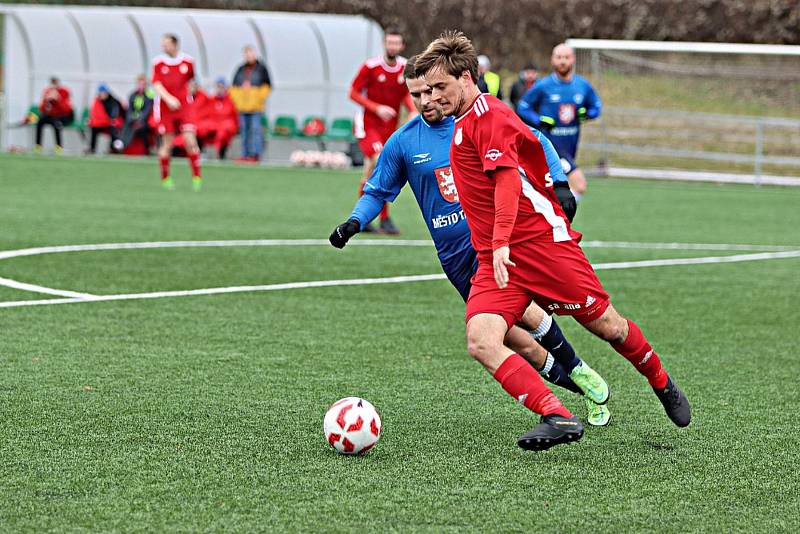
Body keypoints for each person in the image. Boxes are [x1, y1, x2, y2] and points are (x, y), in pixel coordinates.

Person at [415, 31, 690, 450]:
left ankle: (662, 382)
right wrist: (496, 248)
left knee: (609, 327)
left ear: (467, 78)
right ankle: (557, 416)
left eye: (439, 87)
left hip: (542, 249)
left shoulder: (489, 117)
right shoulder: (463, 120)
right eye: (427, 89)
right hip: (497, 259)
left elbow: (507, 183)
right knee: (481, 340)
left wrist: (503, 239)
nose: (431, 96)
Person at [329, 57, 612, 428]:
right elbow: (377, 191)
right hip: (454, 259)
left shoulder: (477, 121)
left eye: (430, 91)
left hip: (493, 243)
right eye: (416, 94)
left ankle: (575, 371)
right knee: (515, 340)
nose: (425, 100)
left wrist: (559, 179)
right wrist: (354, 221)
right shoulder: (403, 143)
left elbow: (537, 139)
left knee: (526, 314)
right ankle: (578, 385)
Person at [349, 29, 416, 235]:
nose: (392, 46)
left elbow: (406, 94)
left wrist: (413, 110)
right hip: (368, 125)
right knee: (379, 161)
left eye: (396, 43)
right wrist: (376, 108)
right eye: (389, 42)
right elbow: (353, 92)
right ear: (384, 44)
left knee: (375, 170)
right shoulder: (371, 67)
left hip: (389, 128)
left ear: (401, 46)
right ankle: (382, 218)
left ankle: (362, 219)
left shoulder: (405, 67)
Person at [517, 44, 600, 202]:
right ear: (552, 60)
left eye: (566, 57)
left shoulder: (582, 85)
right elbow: (523, 107)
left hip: (570, 147)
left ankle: (553, 222)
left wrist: (588, 114)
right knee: (579, 184)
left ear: (573, 60)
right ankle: (560, 222)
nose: (563, 61)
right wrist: (539, 120)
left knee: (556, 191)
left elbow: (596, 106)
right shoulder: (543, 86)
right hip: (551, 147)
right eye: (559, 57)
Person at [151, 33, 202, 192]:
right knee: (168, 143)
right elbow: (157, 84)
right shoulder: (158, 63)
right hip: (166, 108)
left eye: (166, 44)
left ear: (175, 44)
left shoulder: (187, 61)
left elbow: (192, 82)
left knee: (190, 140)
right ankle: (165, 178)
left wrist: (190, 93)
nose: (163, 47)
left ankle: (196, 178)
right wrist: (169, 99)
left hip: (184, 107)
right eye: (163, 44)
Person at [230, 45, 272, 162]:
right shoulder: (240, 69)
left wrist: (257, 98)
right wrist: (238, 99)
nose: (249, 56)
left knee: (255, 130)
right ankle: (245, 154)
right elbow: (233, 88)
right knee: (244, 131)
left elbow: (267, 86)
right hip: (242, 107)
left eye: (251, 53)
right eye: (246, 54)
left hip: (256, 107)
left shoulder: (261, 69)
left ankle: (255, 154)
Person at [195, 77, 239, 160]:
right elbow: (205, 114)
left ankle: (220, 155)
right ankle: (199, 152)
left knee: (222, 133)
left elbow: (234, 119)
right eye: (218, 86)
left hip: (224, 128)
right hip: (213, 125)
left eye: (222, 86)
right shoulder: (212, 100)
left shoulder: (231, 101)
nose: (220, 89)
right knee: (199, 128)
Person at [116, 74, 155, 154]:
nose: (141, 86)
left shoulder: (149, 96)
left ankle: (123, 143)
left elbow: (147, 111)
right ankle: (121, 142)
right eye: (139, 84)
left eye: (143, 84)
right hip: (133, 119)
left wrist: (139, 119)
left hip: (144, 121)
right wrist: (131, 118)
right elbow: (129, 110)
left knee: (137, 127)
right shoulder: (133, 95)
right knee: (127, 124)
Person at [35, 77, 74, 154]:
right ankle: (38, 146)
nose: (54, 86)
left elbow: (66, 109)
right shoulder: (47, 92)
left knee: (57, 123)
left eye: (56, 83)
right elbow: (42, 109)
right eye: (52, 84)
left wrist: (58, 99)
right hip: (51, 115)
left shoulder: (64, 92)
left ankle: (58, 147)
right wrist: (47, 100)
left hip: (64, 116)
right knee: (40, 121)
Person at [86, 83, 123, 154]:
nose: (102, 94)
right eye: (101, 93)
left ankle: (114, 149)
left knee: (114, 130)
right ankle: (92, 148)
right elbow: (95, 114)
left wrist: (111, 120)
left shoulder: (113, 101)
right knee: (94, 129)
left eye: (104, 93)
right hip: (103, 123)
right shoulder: (98, 101)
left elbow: (115, 115)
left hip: (111, 123)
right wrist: (91, 121)